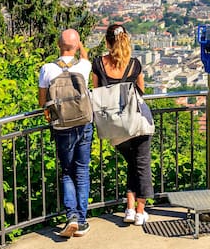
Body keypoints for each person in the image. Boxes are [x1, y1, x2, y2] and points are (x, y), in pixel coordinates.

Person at [91, 24, 153, 226]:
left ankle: (129, 207)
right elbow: (141, 90)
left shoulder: (99, 63)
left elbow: (97, 91)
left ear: (107, 42)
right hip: (137, 123)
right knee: (141, 165)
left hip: (115, 129)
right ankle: (140, 211)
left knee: (133, 164)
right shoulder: (134, 64)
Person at [38, 29, 93, 238]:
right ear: (77, 45)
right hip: (84, 123)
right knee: (82, 171)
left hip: (62, 126)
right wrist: (81, 48)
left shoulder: (47, 69)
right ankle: (82, 220)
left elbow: (42, 102)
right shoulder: (84, 66)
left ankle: (71, 217)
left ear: (58, 45)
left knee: (67, 171)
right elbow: (86, 59)